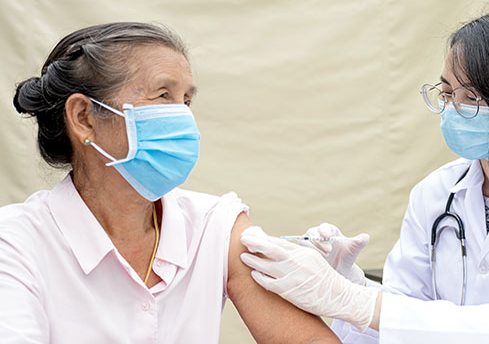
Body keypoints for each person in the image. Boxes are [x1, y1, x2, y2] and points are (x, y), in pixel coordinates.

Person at [238, 4, 489, 344]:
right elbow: (400, 327)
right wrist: (348, 285)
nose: (452, 110)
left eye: (471, 97)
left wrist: (354, 299)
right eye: (446, 93)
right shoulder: (437, 192)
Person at [0, 22, 341, 343]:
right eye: (163, 95)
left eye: (187, 101)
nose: (184, 117)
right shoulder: (16, 243)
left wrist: (349, 299)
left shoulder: (215, 226)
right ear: (84, 118)